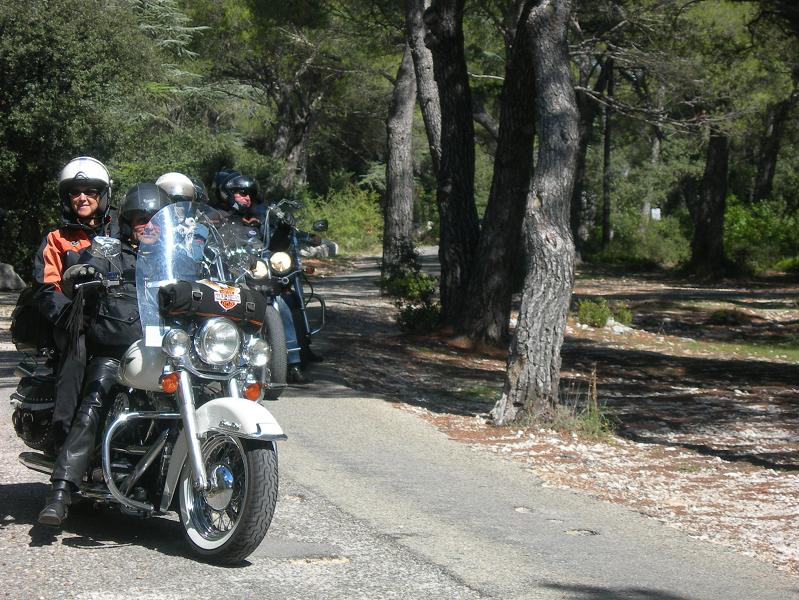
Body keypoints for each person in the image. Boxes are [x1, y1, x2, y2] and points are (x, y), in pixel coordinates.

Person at [37, 183, 172, 527]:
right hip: (117, 350)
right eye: (140, 219)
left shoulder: (174, 259)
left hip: (167, 351)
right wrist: (88, 269)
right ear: (127, 223)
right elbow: (90, 260)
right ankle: (61, 490)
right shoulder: (111, 249)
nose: (148, 225)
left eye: (155, 219)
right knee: (94, 402)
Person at [32, 157, 112, 451]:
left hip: (116, 318)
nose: (82, 197)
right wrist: (69, 314)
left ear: (103, 196)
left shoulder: (118, 234)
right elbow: (45, 288)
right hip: (73, 320)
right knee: (78, 350)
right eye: (75, 192)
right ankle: (63, 439)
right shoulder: (57, 239)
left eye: (90, 191)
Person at [210, 170, 306, 384]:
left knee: (281, 304)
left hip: (254, 277)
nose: (247, 198)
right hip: (224, 280)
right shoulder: (212, 218)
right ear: (226, 194)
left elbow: (270, 247)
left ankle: (292, 361)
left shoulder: (252, 222)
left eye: (250, 194)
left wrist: (283, 229)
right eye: (242, 193)